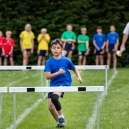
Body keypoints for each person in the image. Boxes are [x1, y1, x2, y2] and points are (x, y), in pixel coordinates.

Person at [44, 38, 82, 128]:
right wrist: (58, 72)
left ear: (61, 49)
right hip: (54, 84)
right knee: (50, 107)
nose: (56, 49)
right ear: (51, 49)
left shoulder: (66, 60)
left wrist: (79, 77)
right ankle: (60, 122)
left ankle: (61, 116)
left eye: (58, 48)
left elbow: (74, 68)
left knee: (54, 97)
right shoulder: (49, 62)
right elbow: (47, 76)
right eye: (54, 48)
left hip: (64, 82)